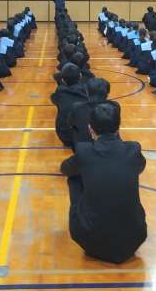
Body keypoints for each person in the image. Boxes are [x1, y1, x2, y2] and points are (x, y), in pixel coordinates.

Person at [60, 101, 147, 264]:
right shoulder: (133, 149)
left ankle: (90, 224)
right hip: (135, 238)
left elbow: (65, 169)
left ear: (90, 129)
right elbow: (140, 167)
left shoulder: (84, 151)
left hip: (92, 241)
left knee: (74, 177)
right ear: (118, 128)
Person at [51, 63, 89, 146]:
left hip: (65, 137)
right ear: (80, 77)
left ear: (63, 80)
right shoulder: (87, 90)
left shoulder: (59, 92)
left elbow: (53, 99)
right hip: (85, 137)